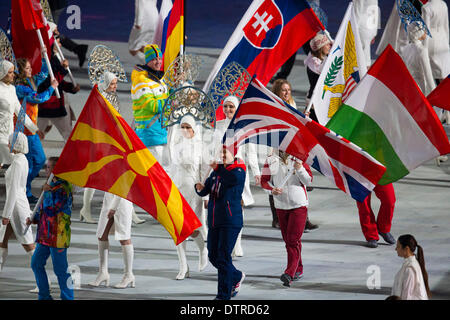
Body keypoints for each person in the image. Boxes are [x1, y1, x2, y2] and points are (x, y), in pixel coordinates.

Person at [88, 73, 136, 289]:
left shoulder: (123, 152)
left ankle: (129, 275)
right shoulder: (108, 151)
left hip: (121, 201)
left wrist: (114, 207)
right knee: (101, 236)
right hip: (109, 199)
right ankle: (103, 272)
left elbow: (124, 182)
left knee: (124, 237)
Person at [212, 95, 261, 257]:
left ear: (237, 108)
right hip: (221, 171)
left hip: (238, 171)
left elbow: (251, 152)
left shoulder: (244, 128)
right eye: (225, 107)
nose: (227, 110)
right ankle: (227, 242)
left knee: (237, 207)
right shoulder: (218, 127)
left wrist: (257, 172)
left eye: (231, 107)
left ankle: (237, 243)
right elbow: (212, 151)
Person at [195, 147, 246, 300]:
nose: (222, 155)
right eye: (221, 153)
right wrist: (200, 189)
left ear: (234, 154)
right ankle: (236, 276)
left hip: (230, 220)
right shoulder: (217, 171)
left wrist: (217, 169)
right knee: (213, 256)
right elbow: (208, 190)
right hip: (215, 220)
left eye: (226, 153)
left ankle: (223, 296)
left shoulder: (239, 170)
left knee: (223, 257)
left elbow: (232, 180)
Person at [260, 150, 313, 287]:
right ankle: (298, 268)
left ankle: (289, 273)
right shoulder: (271, 159)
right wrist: (272, 190)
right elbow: (264, 181)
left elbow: (309, 180)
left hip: (299, 205)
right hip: (281, 206)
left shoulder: (299, 157)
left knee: (292, 240)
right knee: (290, 241)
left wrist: (300, 169)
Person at [271, 80, 318, 231]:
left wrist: (303, 117)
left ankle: (304, 218)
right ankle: (276, 218)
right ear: (278, 91)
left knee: (297, 178)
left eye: (289, 90)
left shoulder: (292, 103)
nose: (287, 93)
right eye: (283, 90)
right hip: (278, 145)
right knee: (276, 180)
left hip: (294, 143)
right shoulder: (274, 105)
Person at [27, 156, 74, 300]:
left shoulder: (64, 186)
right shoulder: (49, 184)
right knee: (36, 264)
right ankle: (44, 295)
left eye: (50, 167)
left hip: (58, 235)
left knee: (61, 270)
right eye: (47, 167)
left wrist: (47, 191)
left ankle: (68, 297)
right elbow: (43, 208)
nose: (47, 169)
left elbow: (52, 208)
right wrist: (34, 218)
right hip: (44, 234)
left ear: (58, 168)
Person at [169, 115, 209, 280]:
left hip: (195, 192)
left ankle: (202, 250)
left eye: (188, 127)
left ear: (194, 128)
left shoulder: (201, 147)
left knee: (192, 229)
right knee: (178, 229)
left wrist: (206, 195)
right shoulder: (175, 146)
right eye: (182, 127)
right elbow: (171, 168)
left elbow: (206, 171)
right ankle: (183, 266)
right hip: (178, 189)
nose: (185, 130)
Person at [15, 55, 58, 204]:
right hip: (24, 130)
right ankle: (22, 188)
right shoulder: (20, 87)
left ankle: (23, 187)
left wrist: (46, 57)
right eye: (27, 68)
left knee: (35, 162)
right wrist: (52, 88)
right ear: (20, 71)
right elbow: (39, 98)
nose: (30, 69)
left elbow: (44, 74)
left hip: (31, 129)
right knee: (34, 162)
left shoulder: (29, 81)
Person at [0, 132, 35, 272]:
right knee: (2, 240)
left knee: (29, 245)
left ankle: (44, 282)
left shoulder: (17, 163)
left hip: (17, 209)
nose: (8, 144)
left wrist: (6, 215)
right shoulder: (21, 159)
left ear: (16, 144)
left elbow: (13, 190)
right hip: (16, 206)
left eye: (10, 142)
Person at [131, 44, 169, 166]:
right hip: (149, 136)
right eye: (154, 59)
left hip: (161, 133)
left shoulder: (159, 79)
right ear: (147, 61)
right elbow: (151, 105)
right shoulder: (141, 80)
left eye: (159, 59)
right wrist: (171, 102)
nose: (158, 62)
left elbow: (165, 98)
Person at [37, 36, 80, 142]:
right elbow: (49, 82)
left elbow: (58, 83)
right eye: (58, 42)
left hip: (56, 106)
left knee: (68, 136)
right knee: (35, 136)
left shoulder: (55, 58)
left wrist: (71, 88)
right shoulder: (43, 60)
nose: (60, 45)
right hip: (45, 105)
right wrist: (63, 70)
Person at [0, 60, 41, 167]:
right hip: (0, 135)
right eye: (10, 72)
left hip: (9, 134)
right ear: (2, 73)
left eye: (13, 71)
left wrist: (34, 129)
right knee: (15, 161)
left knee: (14, 162)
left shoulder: (12, 89)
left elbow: (20, 112)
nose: (13, 74)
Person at [48, 0, 88, 68]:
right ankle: (78, 49)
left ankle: (78, 49)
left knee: (51, 32)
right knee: (51, 31)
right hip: (54, 5)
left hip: (53, 5)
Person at [356, 183, 396, 248]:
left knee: (389, 200)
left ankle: (383, 229)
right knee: (364, 206)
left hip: (379, 173)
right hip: (360, 176)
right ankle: (371, 235)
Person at [391, 234, 431, 300]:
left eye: (398, 246)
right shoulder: (409, 264)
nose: (395, 249)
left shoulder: (410, 269)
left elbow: (407, 296)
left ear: (406, 249)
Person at [304, 33, 332, 122]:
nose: (329, 46)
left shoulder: (321, 58)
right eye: (327, 44)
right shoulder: (313, 62)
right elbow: (325, 70)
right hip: (314, 102)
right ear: (320, 47)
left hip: (322, 99)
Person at [422, 0, 450, 84]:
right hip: (443, 40)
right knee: (443, 74)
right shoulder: (443, 4)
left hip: (432, 43)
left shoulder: (427, 8)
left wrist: (424, 49)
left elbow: (426, 31)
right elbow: (446, 26)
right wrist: (447, 44)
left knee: (429, 76)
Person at [353, 0, 379, 66]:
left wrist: (353, 28)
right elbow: (375, 10)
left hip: (360, 25)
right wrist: (374, 32)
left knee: (360, 55)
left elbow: (357, 10)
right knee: (366, 55)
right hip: (369, 27)